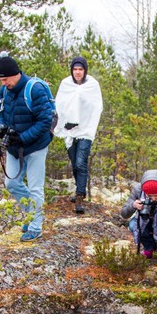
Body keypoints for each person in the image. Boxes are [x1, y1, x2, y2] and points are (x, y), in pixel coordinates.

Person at [0, 54, 55, 242]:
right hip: (14, 147)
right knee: (11, 183)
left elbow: (45, 120)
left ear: (15, 74)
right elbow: (0, 112)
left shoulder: (34, 89)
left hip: (36, 146)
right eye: (0, 80)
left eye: (5, 79)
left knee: (36, 188)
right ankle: (31, 213)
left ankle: (35, 227)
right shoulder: (4, 91)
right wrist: (2, 130)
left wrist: (23, 137)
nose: (4, 83)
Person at [53, 56, 103, 214]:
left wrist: (82, 121)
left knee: (81, 163)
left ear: (85, 70)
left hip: (85, 130)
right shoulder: (65, 84)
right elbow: (59, 105)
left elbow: (96, 107)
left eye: (80, 69)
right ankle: (79, 189)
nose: (78, 72)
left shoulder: (92, 85)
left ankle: (80, 198)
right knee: (74, 163)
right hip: (69, 130)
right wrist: (64, 122)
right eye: (75, 69)